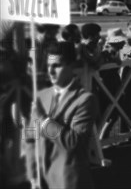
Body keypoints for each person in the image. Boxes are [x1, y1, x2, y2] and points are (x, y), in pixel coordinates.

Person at [25, 41, 99, 189]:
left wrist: (43, 120)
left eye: (57, 66)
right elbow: (29, 138)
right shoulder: (40, 96)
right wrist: (32, 175)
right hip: (41, 180)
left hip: (68, 180)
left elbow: (74, 142)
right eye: (49, 66)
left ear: (71, 66)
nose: (50, 71)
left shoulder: (85, 100)